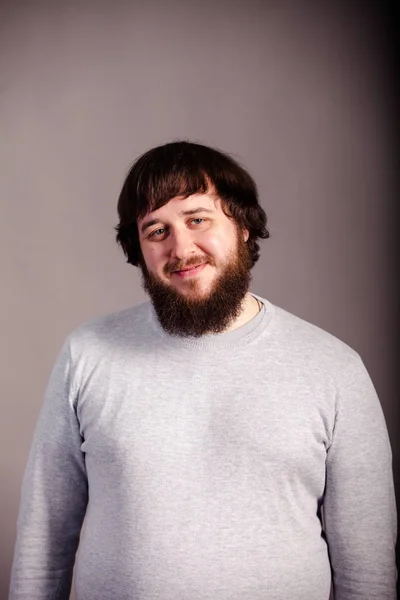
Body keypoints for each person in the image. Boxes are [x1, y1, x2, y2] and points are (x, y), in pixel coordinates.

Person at [9, 141, 397, 600]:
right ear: (140, 249)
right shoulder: (87, 354)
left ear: (243, 228)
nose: (181, 247)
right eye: (156, 231)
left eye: (198, 219)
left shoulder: (334, 368)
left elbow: (367, 571)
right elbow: (44, 538)